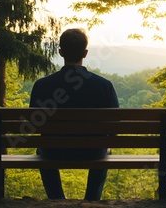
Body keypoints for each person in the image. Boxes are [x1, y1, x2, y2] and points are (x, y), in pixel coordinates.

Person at [29, 28, 119, 201]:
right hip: (93, 152)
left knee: (41, 148)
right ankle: (92, 200)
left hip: (52, 152)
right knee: (108, 149)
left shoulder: (42, 85)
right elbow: (114, 128)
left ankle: (57, 199)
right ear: (85, 53)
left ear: (60, 52)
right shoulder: (104, 86)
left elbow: (34, 126)